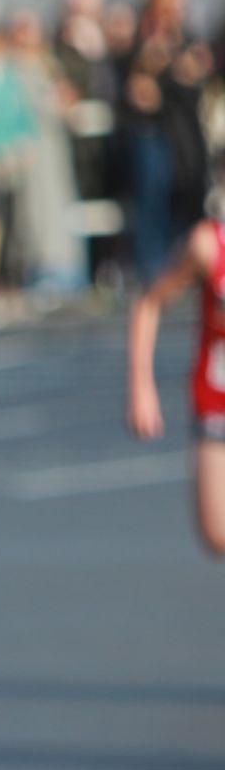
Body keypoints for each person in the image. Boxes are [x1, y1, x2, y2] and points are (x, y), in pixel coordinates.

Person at [125, 198, 225, 555]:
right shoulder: (207, 244)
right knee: (217, 534)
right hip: (217, 402)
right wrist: (141, 387)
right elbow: (148, 303)